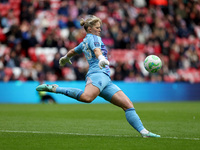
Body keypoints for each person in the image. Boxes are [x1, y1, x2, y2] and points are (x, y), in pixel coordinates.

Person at [36, 15, 160, 138]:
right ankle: (55, 88)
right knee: (87, 98)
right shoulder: (94, 38)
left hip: (105, 78)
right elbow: (97, 51)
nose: (100, 30)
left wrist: (65, 58)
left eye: (100, 27)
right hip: (97, 75)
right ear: (90, 29)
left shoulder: (84, 42)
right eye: (97, 27)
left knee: (128, 105)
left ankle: (144, 132)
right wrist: (101, 59)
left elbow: (74, 51)